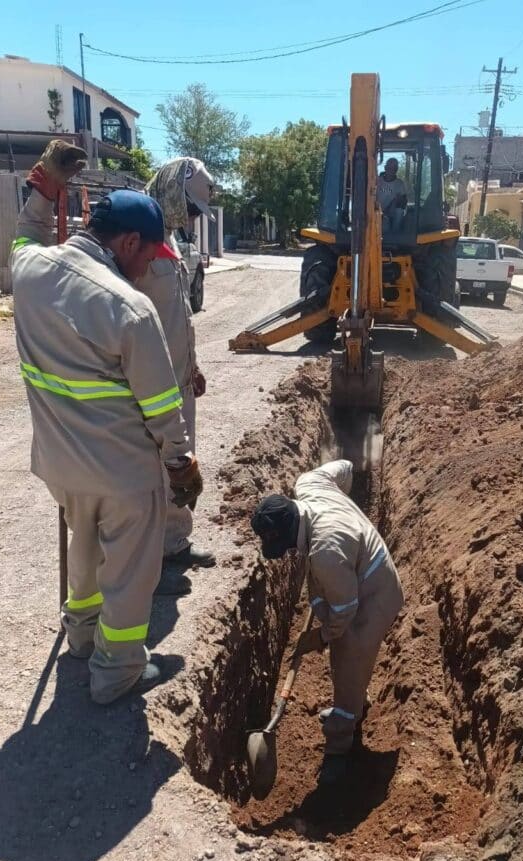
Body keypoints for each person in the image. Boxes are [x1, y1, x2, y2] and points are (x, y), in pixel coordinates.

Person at [12, 140, 202, 704]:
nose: (149, 266)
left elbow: (25, 235)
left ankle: (81, 637)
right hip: (123, 472)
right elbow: (161, 404)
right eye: (148, 254)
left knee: (85, 550)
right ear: (127, 242)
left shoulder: (30, 270)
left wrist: (43, 191)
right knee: (129, 573)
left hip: (60, 466)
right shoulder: (129, 308)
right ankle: (116, 670)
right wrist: (181, 462)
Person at [250, 460, 404, 785]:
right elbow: (345, 468)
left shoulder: (326, 550)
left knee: (347, 659)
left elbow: (346, 609)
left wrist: (320, 638)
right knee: (342, 648)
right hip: (354, 573)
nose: (289, 552)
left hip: (374, 596)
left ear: (293, 529)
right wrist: (351, 517)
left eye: (286, 545)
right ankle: (356, 701)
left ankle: (339, 746)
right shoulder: (310, 484)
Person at [143, 158, 217, 572]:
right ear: (173, 192)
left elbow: (178, 317)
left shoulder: (168, 243)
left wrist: (193, 366)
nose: (192, 217)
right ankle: (155, 557)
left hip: (177, 381)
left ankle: (175, 543)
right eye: (189, 207)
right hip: (152, 385)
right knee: (158, 468)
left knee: (180, 466)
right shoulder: (137, 244)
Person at [376, 157, 408, 234]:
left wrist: (397, 201)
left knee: (399, 211)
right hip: (376, 212)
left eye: (394, 168)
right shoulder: (377, 181)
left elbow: (403, 202)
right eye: (389, 167)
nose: (391, 170)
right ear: (385, 168)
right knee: (384, 225)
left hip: (390, 213)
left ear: (396, 170)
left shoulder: (399, 184)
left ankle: (395, 235)